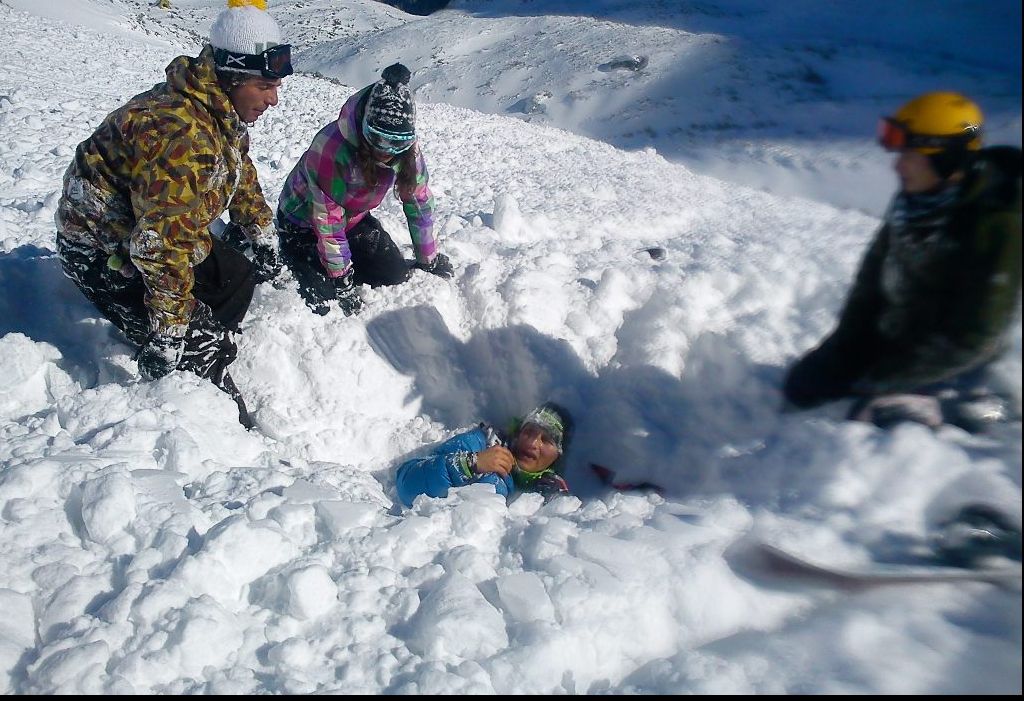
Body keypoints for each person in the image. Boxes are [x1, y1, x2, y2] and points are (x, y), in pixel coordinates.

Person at [55, 0, 292, 429]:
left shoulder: (219, 109)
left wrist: (260, 233)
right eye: (265, 86)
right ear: (235, 75)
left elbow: (237, 172)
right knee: (198, 347)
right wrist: (169, 334)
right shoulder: (180, 134)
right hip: (101, 249)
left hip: (153, 229)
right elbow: (160, 248)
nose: (273, 100)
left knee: (236, 276)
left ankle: (198, 324)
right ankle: (222, 430)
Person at [783, 91, 1022, 430]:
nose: (898, 165)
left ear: (948, 159)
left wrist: (887, 378)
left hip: (962, 363)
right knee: (805, 386)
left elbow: (977, 335)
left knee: (877, 419)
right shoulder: (915, 203)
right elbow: (871, 284)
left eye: (912, 155)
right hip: (901, 339)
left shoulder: (997, 223)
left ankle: (982, 413)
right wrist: (842, 349)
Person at [276, 62, 453, 317]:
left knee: (394, 275)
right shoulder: (331, 150)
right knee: (323, 303)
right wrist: (342, 279)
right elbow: (327, 222)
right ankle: (289, 257)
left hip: (352, 220)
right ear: (365, 128)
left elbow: (419, 204)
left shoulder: (406, 153)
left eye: (398, 143)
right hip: (302, 225)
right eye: (379, 139)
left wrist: (428, 258)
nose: (387, 151)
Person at [395, 402, 573, 507]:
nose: (532, 443)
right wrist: (470, 464)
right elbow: (407, 483)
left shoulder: (552, 493)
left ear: (558, 455)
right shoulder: (480, 444)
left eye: (547, 440)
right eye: (529, 432)